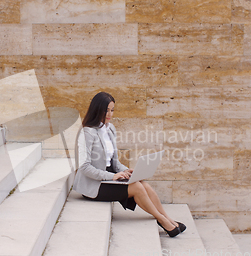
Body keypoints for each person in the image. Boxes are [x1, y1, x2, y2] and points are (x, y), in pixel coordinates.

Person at [72, 91, 186, 237]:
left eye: (112, 110)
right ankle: (162, 220)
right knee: (137, 187)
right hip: (94, 185)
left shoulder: (109, 129)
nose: (110, 114)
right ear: (97, 109)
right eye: (106, 110)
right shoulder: (87, 133)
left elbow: (114, 162)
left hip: (108, 178)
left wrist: (128, 171)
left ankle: (168, 219)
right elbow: (85, 167)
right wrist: (112, 177)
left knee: (144, 184)